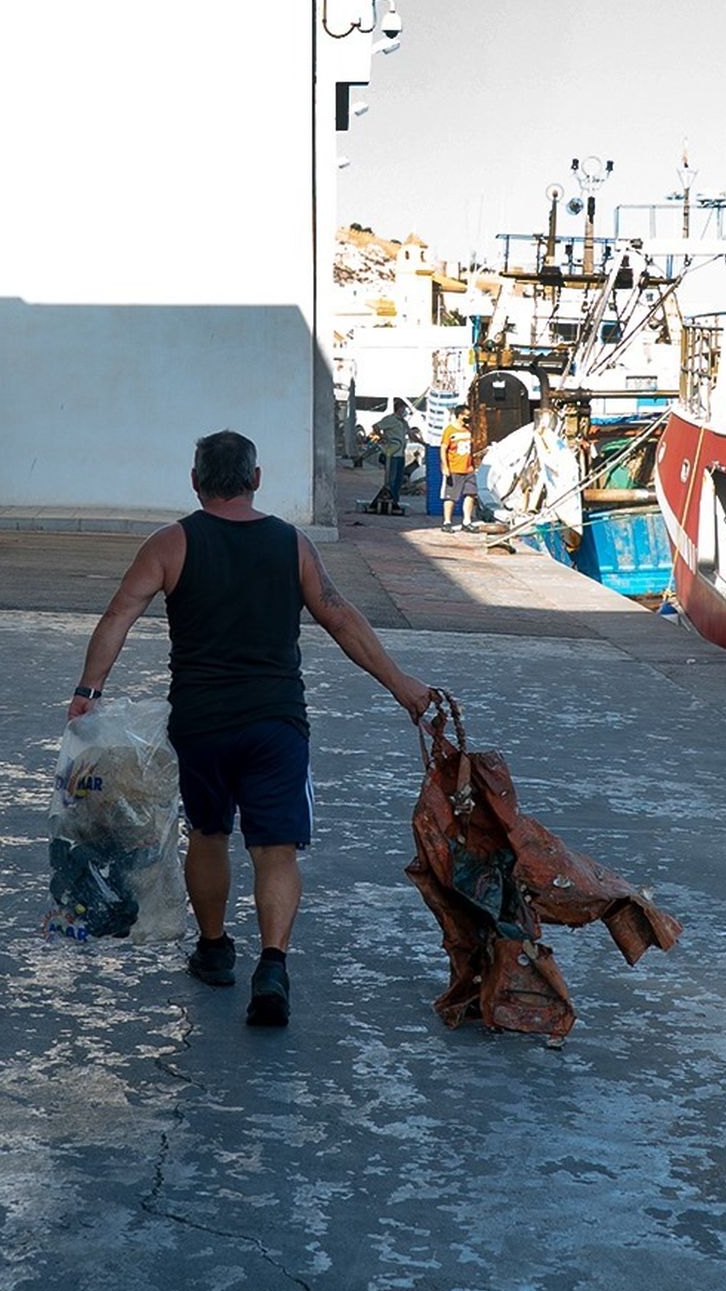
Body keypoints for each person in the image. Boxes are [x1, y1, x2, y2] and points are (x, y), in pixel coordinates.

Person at [68, 429, 432, 1028]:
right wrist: (404, 686)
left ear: (195, 481)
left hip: (201, 723)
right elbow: (339, 616)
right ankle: (272, 965)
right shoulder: (291, 544)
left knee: (208, 834)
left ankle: (214, 951)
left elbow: (118, 615)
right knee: (275, 849)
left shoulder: (170, 544)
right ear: (255, 479)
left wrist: (88, 692)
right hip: (275, 723)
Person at [439, 406, 479, 533]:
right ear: (460, 415)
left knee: (471, 493)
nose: (469, 418)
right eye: (467, 415)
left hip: (468, 468)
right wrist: (445, 466)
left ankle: (466, 521)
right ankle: (447, 522)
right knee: (451, 496)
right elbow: (443, 448)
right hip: (454, 468)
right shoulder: (449, 430)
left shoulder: (468, 430)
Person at [371, 398, 411, 505]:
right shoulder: (390, 419)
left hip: (401, 454)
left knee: (399, 479)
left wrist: (423, 443)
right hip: (392, 454)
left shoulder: (403, 422)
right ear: (399, 409)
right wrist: (383, 437)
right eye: (403, 408)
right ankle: (389, 499)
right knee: (391, 480)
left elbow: (411, 434)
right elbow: (376, 427)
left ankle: (395, 500)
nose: (405, 411)